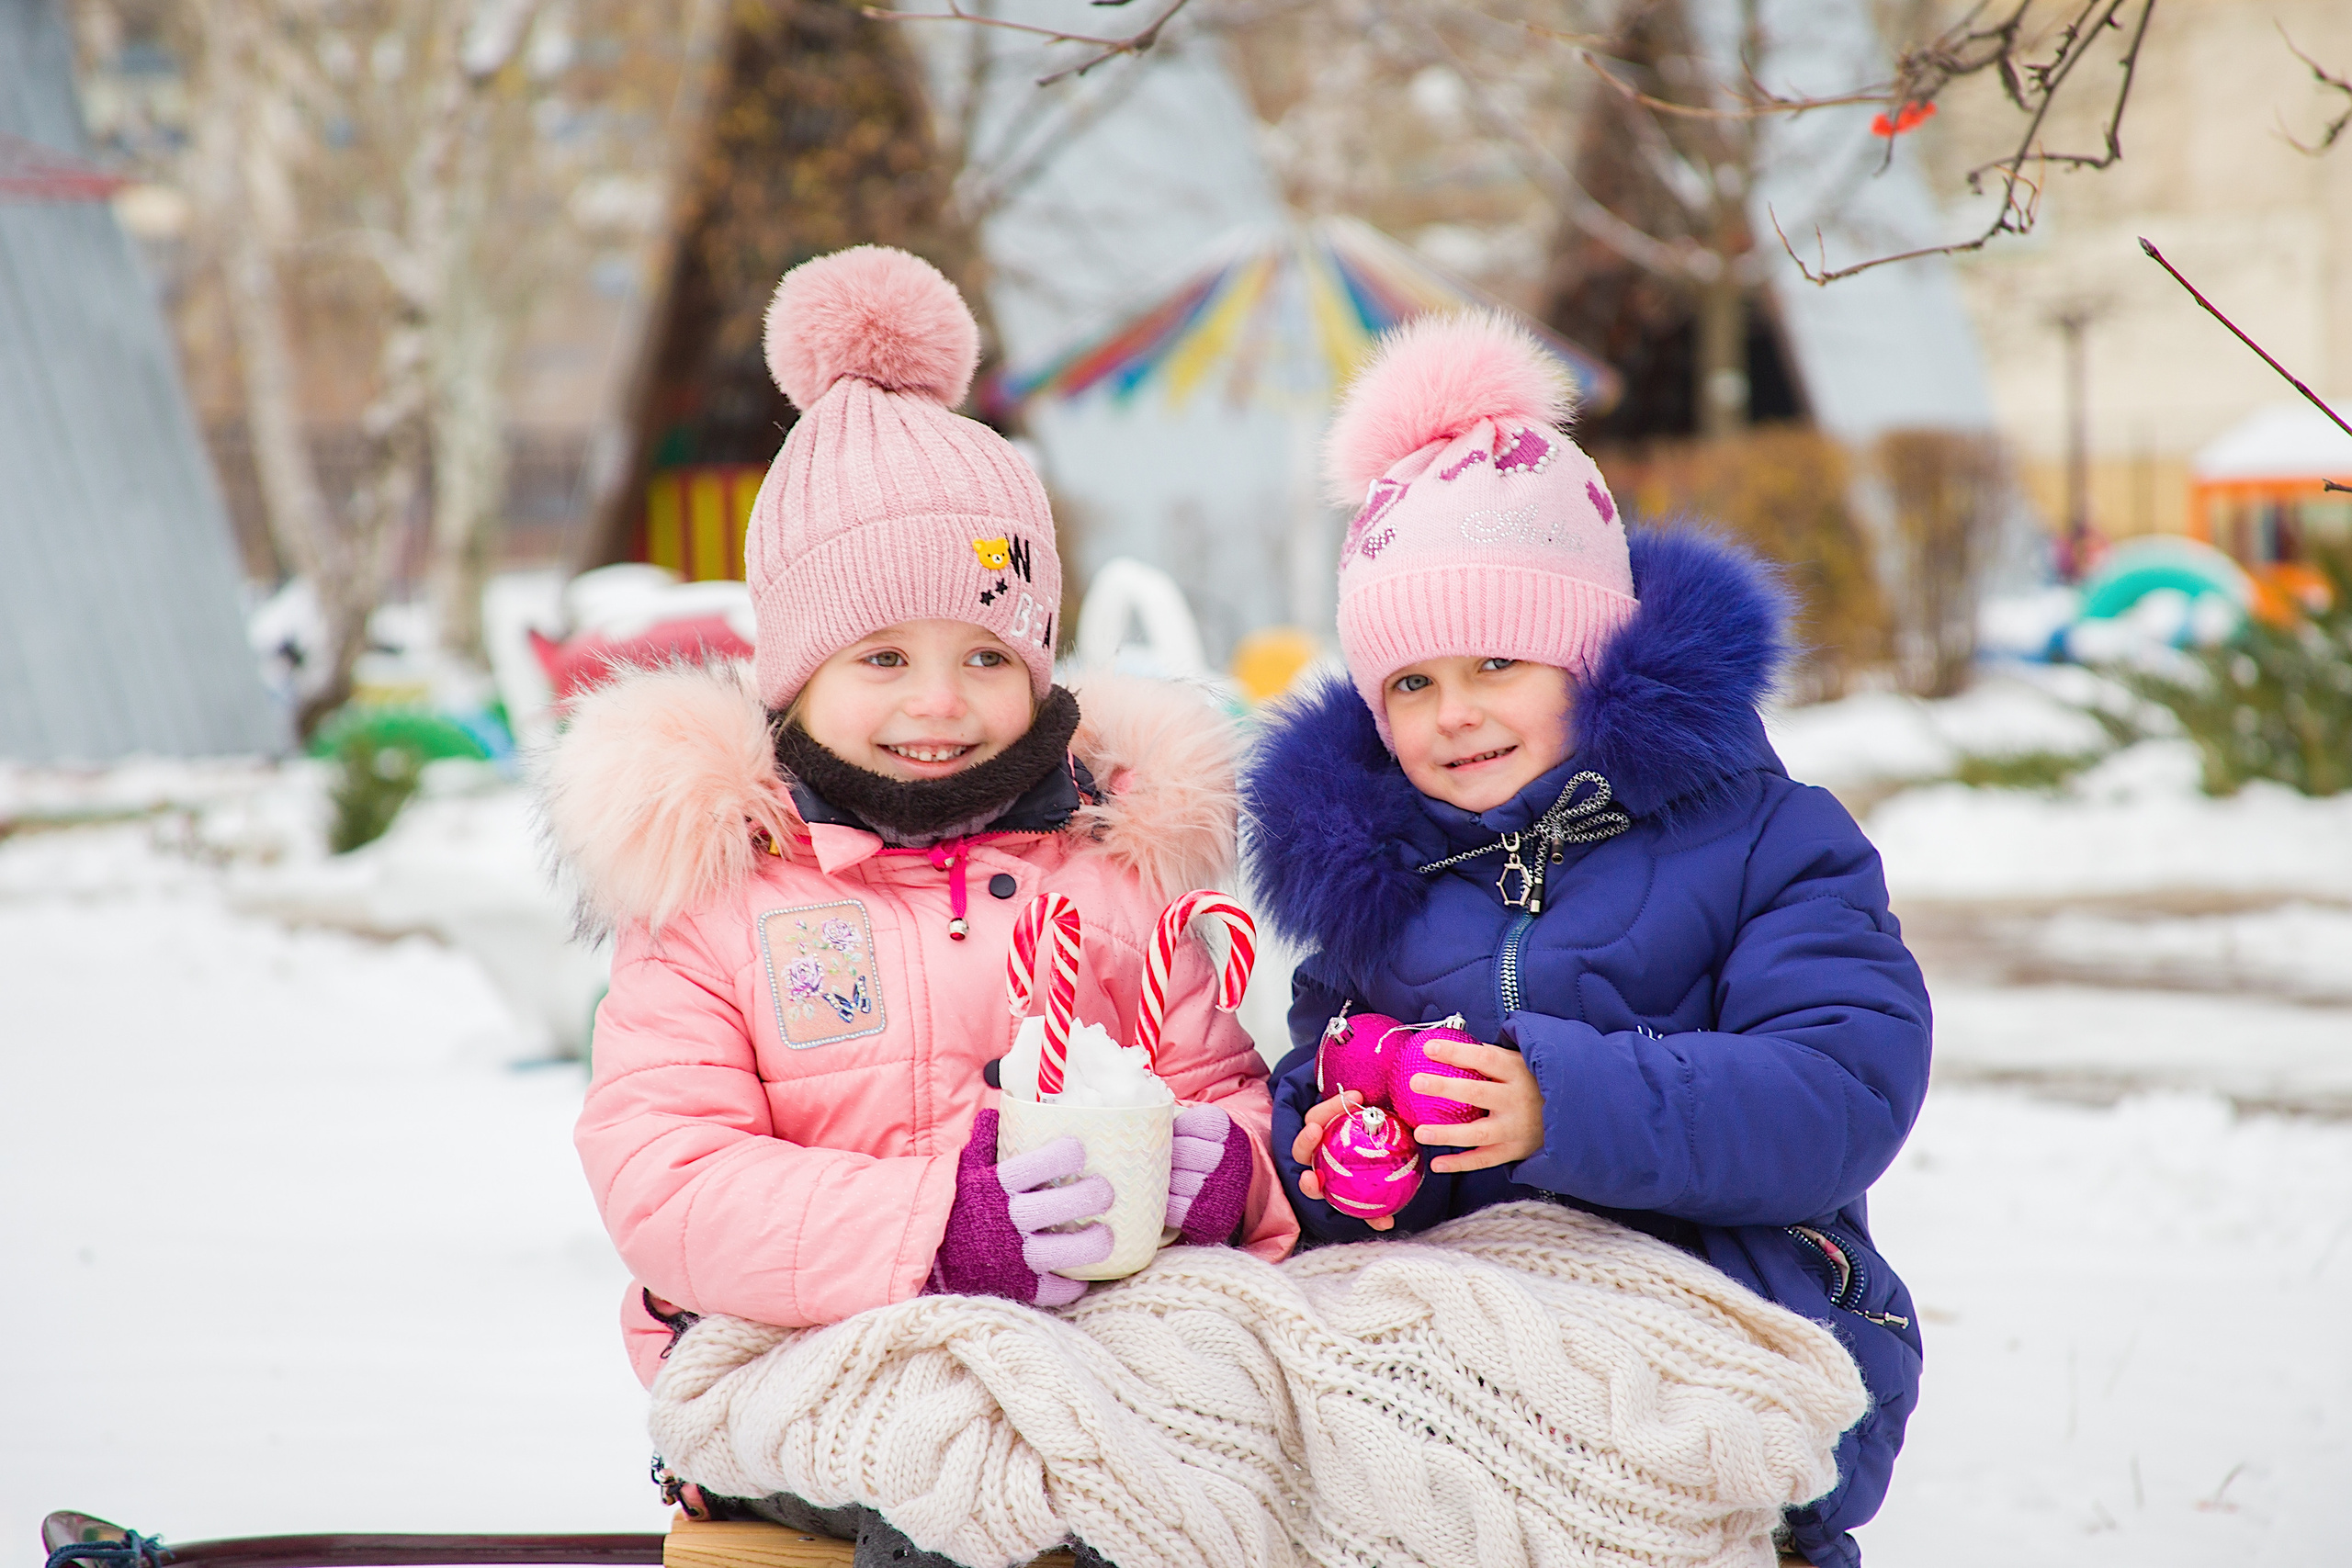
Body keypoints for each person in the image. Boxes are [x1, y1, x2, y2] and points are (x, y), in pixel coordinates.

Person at [542, 246, 1297, 1568]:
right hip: (801, 1362)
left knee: (1232, 1454)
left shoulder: (1118, 867)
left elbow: (1221, 1086)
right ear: (793, 676)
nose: (938, 702)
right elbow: (669, 1177)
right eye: (882, 657)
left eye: (985, 657)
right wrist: (942, 1231)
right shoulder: (720, 891)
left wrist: (1219, 1170)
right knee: (963, 1474)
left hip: (1098, 1361)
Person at [1241, 312, 1930, 1568]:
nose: (1454, 716)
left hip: (1739, 1300)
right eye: (1411, 683)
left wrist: (1563, 1102)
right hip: (1477, 1338)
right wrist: (1341, 1156)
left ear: (1593, 651)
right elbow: (1314, 1077)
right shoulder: (1378, 883)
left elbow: (1842, 1090)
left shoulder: (1768, 839)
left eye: (1498, 660)